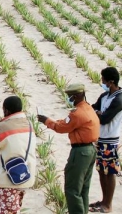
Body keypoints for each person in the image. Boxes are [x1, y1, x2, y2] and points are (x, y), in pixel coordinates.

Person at [37, 84, 100, 214]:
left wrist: (46, 120)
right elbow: (67, 123)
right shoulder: (88, 108)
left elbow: (61, 128)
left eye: (69, 96)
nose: (69, 98)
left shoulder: (77, 113)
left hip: (80, 152)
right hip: (90, 150)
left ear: (75, 96)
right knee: (83, 187)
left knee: (72, 188)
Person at [88, 67, 122, 213]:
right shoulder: (104, 96)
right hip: (101, 139)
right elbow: (93, 109)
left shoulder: (119, 99)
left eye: (103, 79)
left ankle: (108, 204)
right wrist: (97, 112)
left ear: (111, 82)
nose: (101, 81)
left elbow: (105, 118)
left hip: (111, 140)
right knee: (102, 171)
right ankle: (103, 200)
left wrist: (98, 113)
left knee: (110, 172)